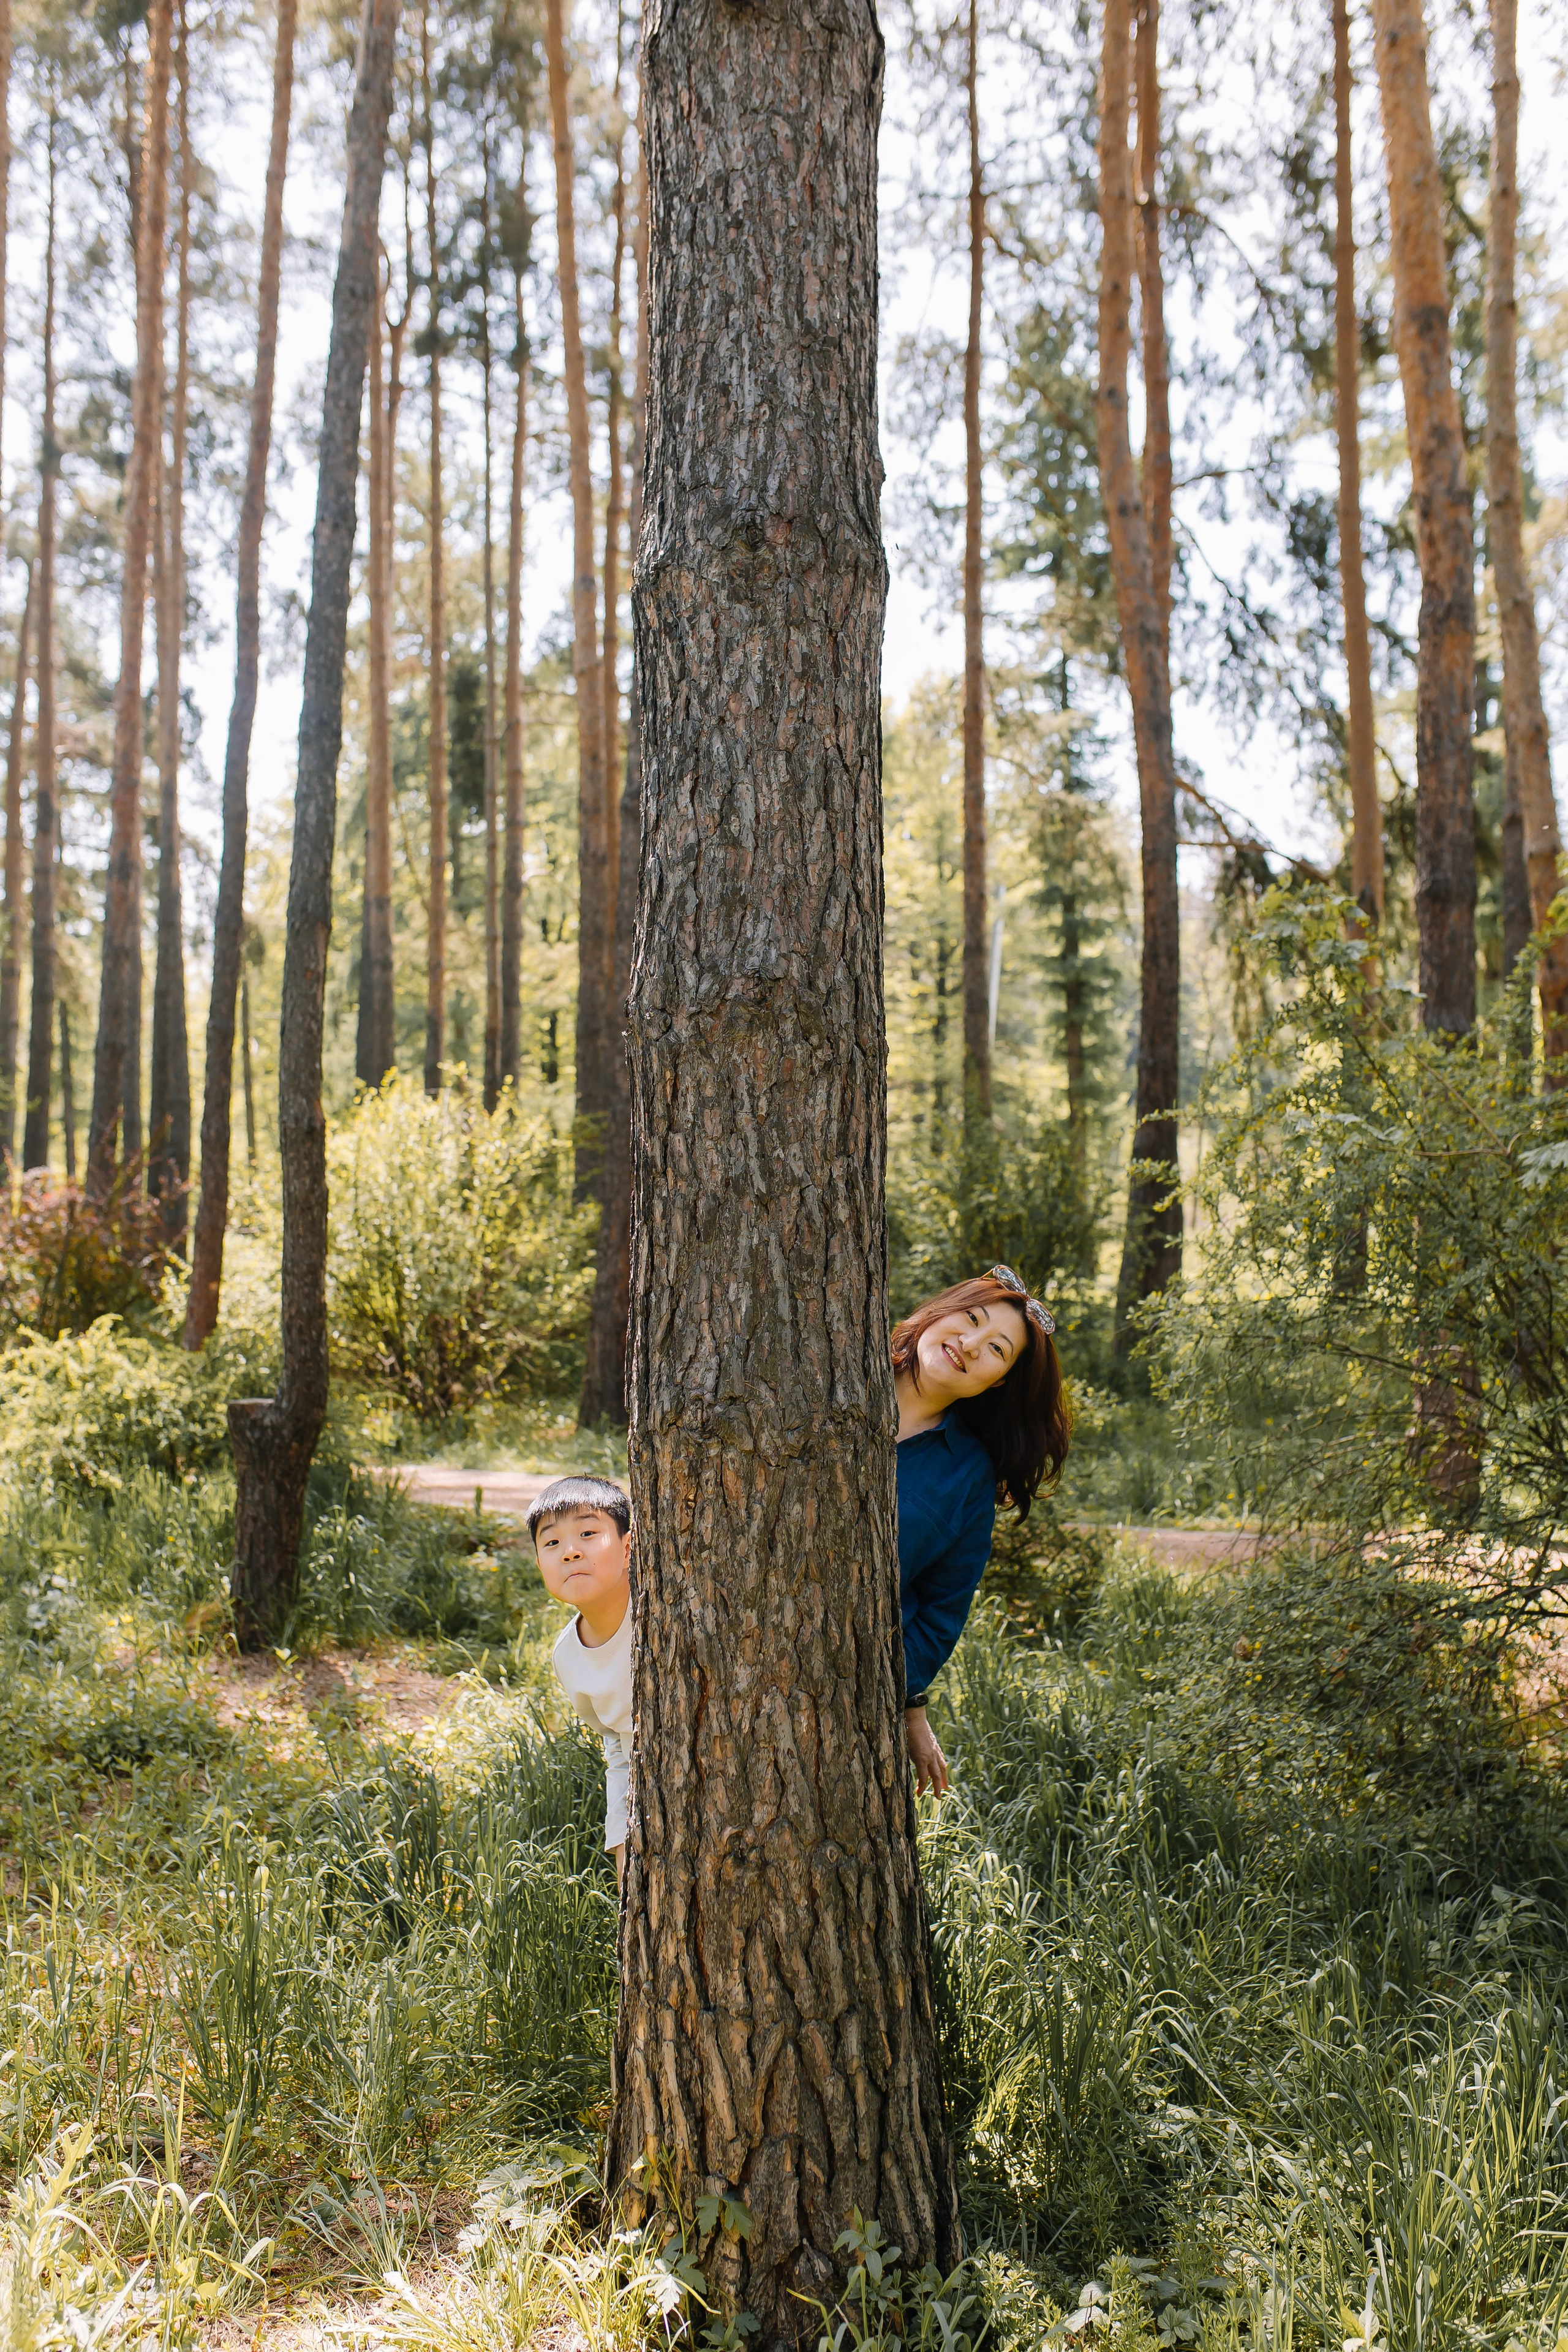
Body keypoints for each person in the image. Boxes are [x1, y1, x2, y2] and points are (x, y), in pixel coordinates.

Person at [894, 1265, 1071, 1796]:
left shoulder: (968, 1476)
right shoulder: (829, 1365)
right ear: (939, 1313)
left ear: (998, 1382)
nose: (970, 1345)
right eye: (971, 1320)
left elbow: (941, 1609)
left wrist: (901, 1696)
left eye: (996, 1349)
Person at [529, 1474, 634, 1880]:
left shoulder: (667, 1609)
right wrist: (622, 1840)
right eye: (552, 1543)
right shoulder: (568, 1657)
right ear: (540, 1565)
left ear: (628, 1548)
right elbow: (618, 1745)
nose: (571, 1552)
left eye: (588, 1534)